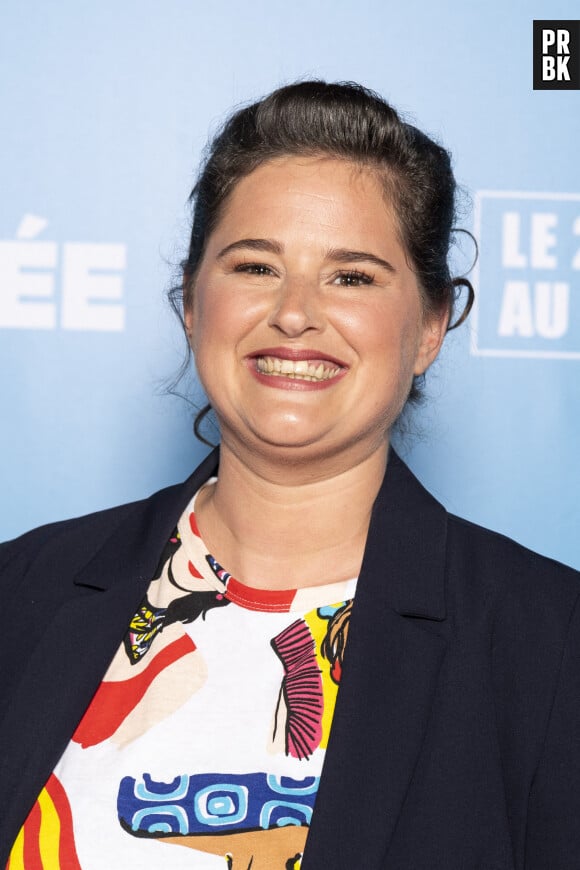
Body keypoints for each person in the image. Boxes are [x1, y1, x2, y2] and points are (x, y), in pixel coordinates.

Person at [1, 81, 579, 870]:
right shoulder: (23, 592)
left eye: (353, 276)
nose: (296, 312)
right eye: (254, 266)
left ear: (431, 327)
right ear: (192, 305)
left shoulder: (548, 643)